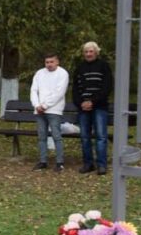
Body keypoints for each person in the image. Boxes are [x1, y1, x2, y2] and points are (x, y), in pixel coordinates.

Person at [72, 42, 113, 175]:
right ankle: (88, 164)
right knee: (85, 137)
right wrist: (81, 103)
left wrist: (92, 102)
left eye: (91, 51)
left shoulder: (104, 66)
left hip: (99, 107)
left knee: (100, 137)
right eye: (86, 52)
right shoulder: (79, 68)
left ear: (96, 52)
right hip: (83, 108)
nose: (88, 54)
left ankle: (102, 165)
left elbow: (107, 87)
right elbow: (75, 89)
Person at [30, 52, 69, 172]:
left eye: (52, 62)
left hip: (54, 110)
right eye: (47, 62)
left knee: (56, 136)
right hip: (39, 110)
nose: (49, 64)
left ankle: (59, 163)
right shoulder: (39, 73)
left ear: (57, 62)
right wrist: (37, 105)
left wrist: (45, 105)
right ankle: (43, 161)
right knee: (42, 136)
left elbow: (59, 93)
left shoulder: (62, 73)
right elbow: (33, 90)